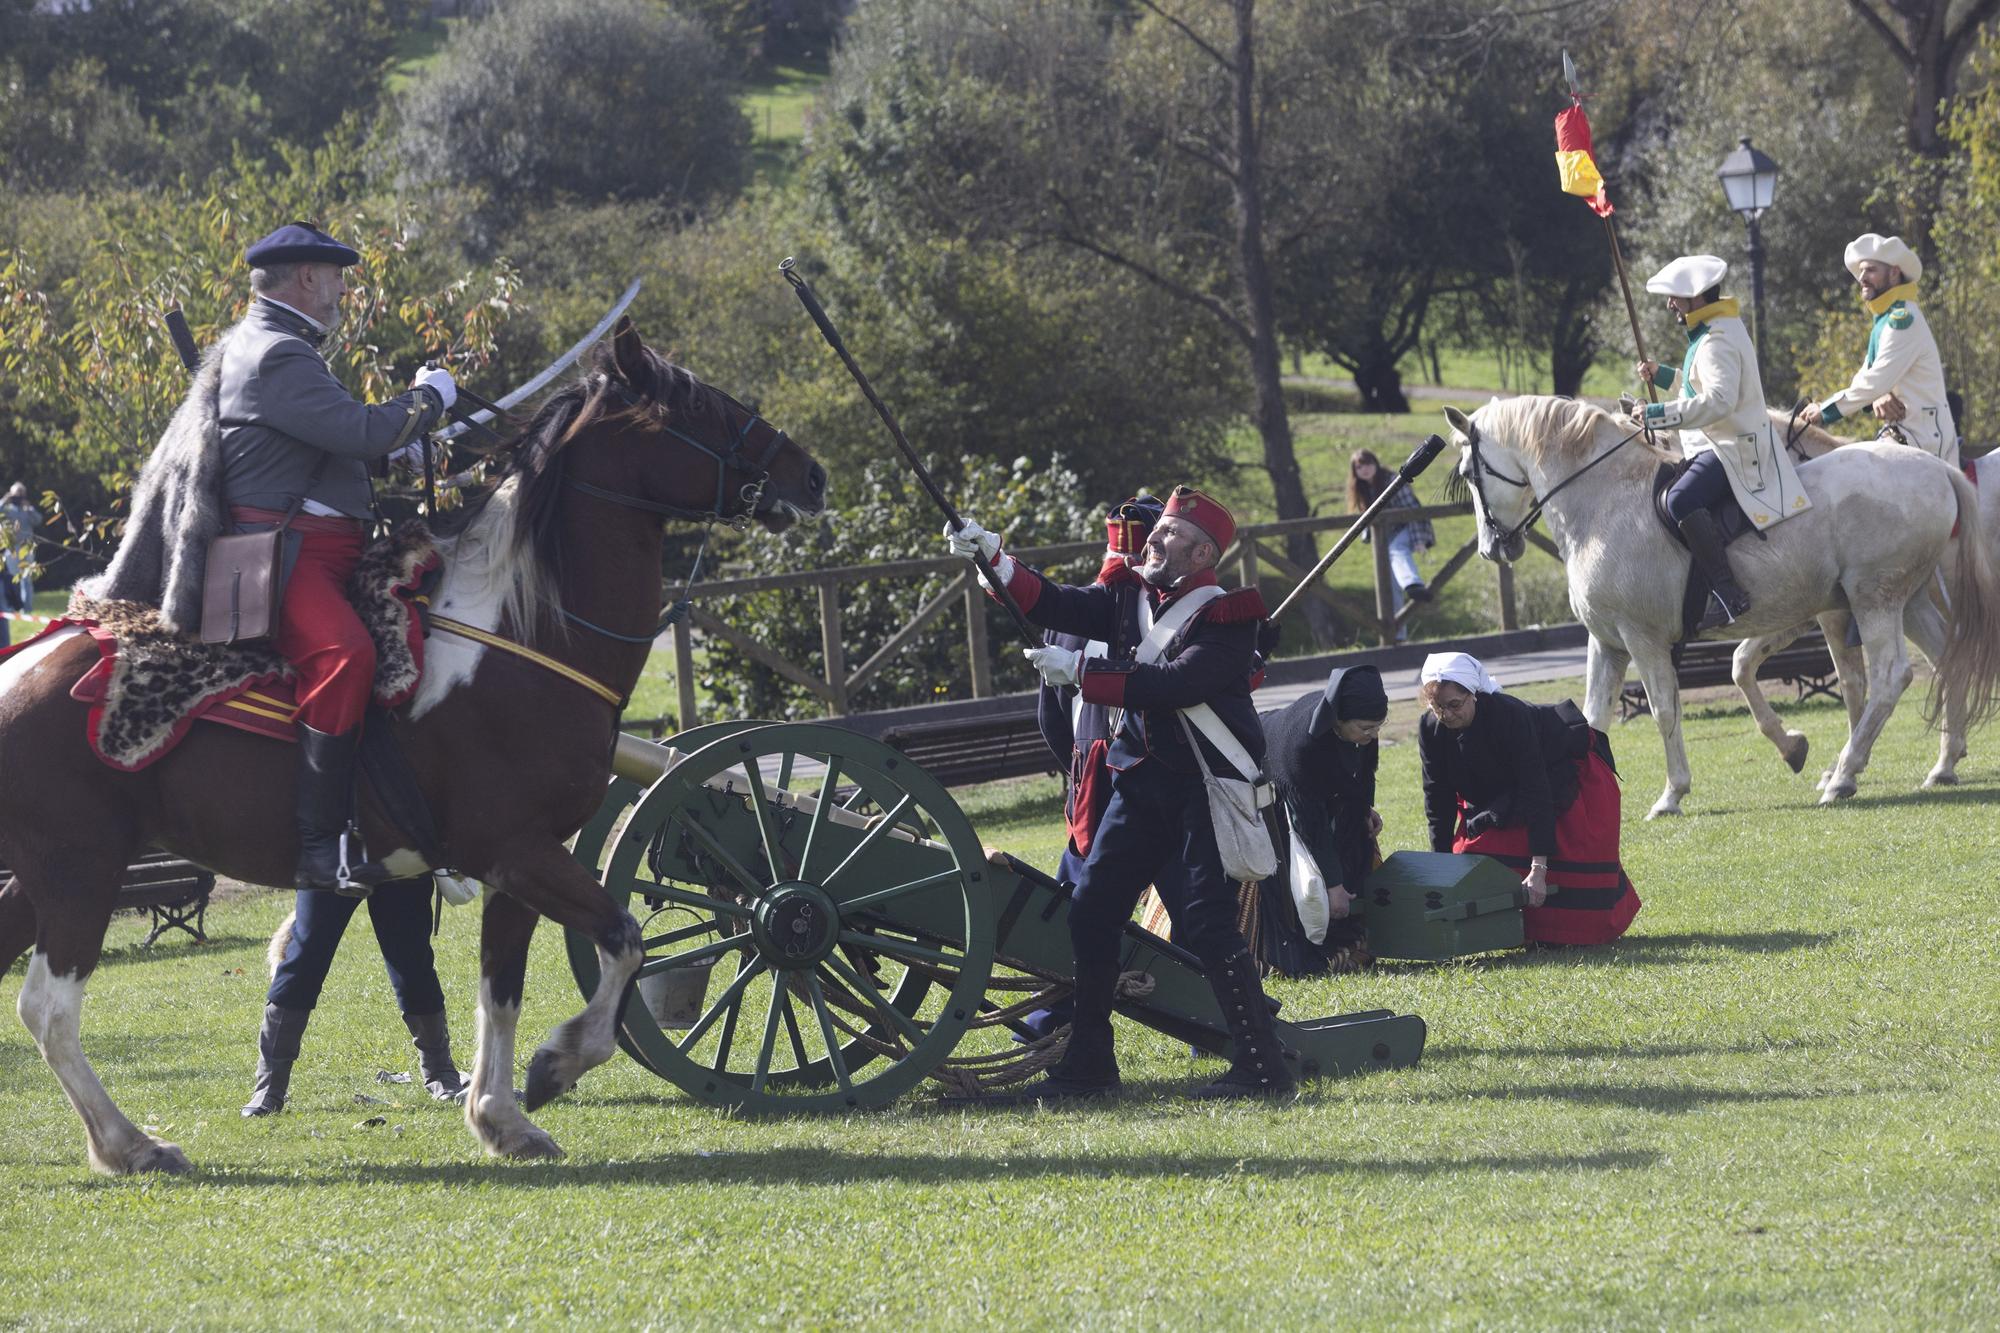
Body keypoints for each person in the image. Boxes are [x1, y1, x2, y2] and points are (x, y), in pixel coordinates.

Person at [948, 485, 1294, 1099]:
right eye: (1158, 530)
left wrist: (1083, 673)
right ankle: (1088, 1064)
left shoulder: (1228, 616)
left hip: (1206, 788)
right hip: (1140, 786)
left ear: (1200, 554)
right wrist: (994, 561)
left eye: (1170, 535)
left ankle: (1262, 1067)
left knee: (1209, 926)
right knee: (1092, 909)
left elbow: (1175, 683)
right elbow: (1056, 603)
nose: (1155, 540)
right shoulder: (1125, 592)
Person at [211, 222, 453, 893]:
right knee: (347, 655)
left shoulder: (283, 347)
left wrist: (389, 448)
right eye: (337, 275)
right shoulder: (277, 354)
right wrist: (430, 398)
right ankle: (320, 846)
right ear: (308, 277)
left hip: (324, 552)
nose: (343, 289)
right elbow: (354, 427)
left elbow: (333, 442)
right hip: (289, 560)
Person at [1631, 254, 1809, 632]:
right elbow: (1698, 387)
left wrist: (1656, 415)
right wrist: (1663, 375)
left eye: (1675, 297)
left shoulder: (1715, 340)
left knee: (1680, 499)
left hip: (1731, 449)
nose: (1670, 304)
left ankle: (1728, 593)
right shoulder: (1715, 330)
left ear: (1696, 298)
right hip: (1716, 444)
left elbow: (1719, 402)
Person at [1416, 652, 1639, 947]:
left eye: (1454, 705)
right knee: (1473, 855)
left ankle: (1555, 934)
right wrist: (1441, 868)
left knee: (1553, 860)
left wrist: (1538, 870)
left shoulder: (1509, 715)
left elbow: (1536, 790)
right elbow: (1438, 798)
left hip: (1559, 779)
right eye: (1437, 708)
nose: (1446, 715)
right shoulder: (1430, 728)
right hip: (1499, 795)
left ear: (1474, 695)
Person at [242, 882, 470, 1116]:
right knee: (302, 962)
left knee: (412, 963)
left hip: (401, 856)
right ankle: (268, 1088)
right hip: (331, 857)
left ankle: (441, 1074)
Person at [1252, 666, 1388, 976]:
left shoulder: (1364, 729)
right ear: (1338, 721)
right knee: (1295, 867)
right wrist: (1332, 886)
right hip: (1269, 771)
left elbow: (1365, 773)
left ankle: (1351, 929)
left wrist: (1365, 808)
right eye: (1366, 728)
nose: (1374, 735)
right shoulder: (1303, 747)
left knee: (1354, 838)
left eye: (1379, 726)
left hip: (1317, 787)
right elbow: (1309, 824)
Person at [1794, 233, 1958, 466]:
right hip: (1904, 433)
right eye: (1860, 272)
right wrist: (1876, 398)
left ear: (1894, 272)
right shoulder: (1886, 318)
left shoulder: (1903, 318)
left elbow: (1876, 380)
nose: (1862, 277)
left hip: (1923, 437)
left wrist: (1825, 411)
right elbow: (1867, 376)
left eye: (1870, 270)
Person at [1349, 450, 1432, 640]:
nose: (1365, 469)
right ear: (1354, 471)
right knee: (1390, 586)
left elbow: (1413, 510)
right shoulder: (1361, 490)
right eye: (1359, 467)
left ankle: (1413, 584)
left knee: (1397, 550)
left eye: (1368, 463)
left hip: (1407, 528)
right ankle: (1397, 635)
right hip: (1384, 538)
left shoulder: (1392, 480)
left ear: (1376, 463)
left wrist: (1419, 540)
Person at [1, 481, 41, 623]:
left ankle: (27, 609)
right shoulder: (6, 509)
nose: (18, 497)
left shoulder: (27, 509)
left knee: (26, 580)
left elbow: (38, 520)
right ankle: (13, 606)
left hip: (27, 549)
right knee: (12, 579)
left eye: (20, 494)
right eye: (15, 494)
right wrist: (4, 501)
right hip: (11, 549)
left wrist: (28, 508)